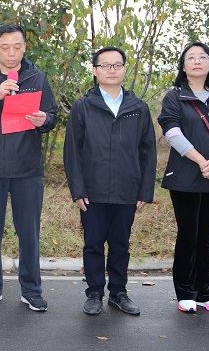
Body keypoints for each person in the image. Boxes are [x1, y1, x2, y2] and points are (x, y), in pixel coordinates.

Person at [0, 24, 58, 312]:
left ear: (25, 47)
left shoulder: (37, 78)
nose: (11, 53)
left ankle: (31, 290)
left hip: (27, 170)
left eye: (17, 46)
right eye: (4, 47)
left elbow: (52, 116)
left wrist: (44, 120)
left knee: (29, 233)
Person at [63, 46, 156, 316]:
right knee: (93, 243)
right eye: (105, 65)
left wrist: (144, 191)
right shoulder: (83, 106)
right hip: (92, 190)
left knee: (120, 244)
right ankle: (94, 292)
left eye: (117, 65)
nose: (111, 70)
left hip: (127, 189)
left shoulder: (138, 108)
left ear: (125, 69)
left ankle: (118, 292)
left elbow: (147, 152)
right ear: (95, 71)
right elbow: (72, 152)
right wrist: (78, 189)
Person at [158, 42, 209, 314]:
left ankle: (207, 293)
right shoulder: (175, 97)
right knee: (188, 235)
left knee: (206, 236)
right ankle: (186, 292)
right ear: (183, 66)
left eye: (202, 57)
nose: (196, 61)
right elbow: (172, 131)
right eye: (190, 58)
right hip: (185, 177)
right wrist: (202, 161)